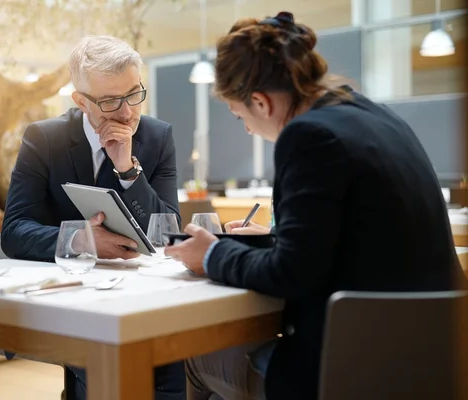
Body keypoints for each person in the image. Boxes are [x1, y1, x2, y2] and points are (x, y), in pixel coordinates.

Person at [164, 11, 466, 400]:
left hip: (349, 369)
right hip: (437, 357)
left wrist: (212, 255)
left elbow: (292, 275)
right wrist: (276, 239)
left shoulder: (308, 136)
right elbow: (352, 242)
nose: (247, 128)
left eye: (240, 116)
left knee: (197, 357)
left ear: (260, 102)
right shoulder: (374, 115)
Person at [1, 35, 184, 399]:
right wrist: (82, 240)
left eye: (134, 94)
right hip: (69, 296)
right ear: (81, 102)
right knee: (108, 359)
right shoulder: (45, 138)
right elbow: (14, 231)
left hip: (143, 292)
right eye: (110, 101)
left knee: (172, 362)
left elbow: (167, 231)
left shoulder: (157, 136)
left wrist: (127, 170)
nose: (128, 112)